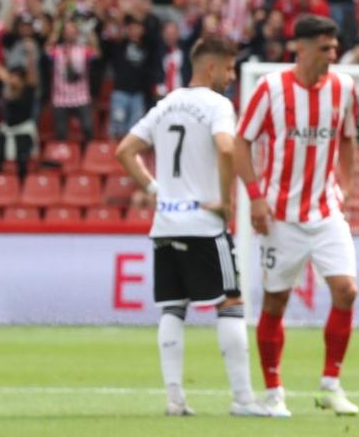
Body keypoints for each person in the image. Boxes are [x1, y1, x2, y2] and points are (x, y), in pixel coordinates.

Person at [113, 37, 269, 418]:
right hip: (204, 223)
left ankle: (175, 399)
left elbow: (124, 151)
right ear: (212, 67)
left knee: (172, 308)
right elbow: (227, 147)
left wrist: (154, 190)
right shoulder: (218, 105)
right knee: (230, 303)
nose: (232, 77)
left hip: (166, 223)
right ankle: (244, 399)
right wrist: (226, 201)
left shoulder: (165, 104)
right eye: (230, 69)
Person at [234, 15, 359, 417]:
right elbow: (241, 143)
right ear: (301, 48)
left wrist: (347, 190)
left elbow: (348, 140)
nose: (333, 54)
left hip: (325, 212)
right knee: (276, 302)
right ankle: (273, 393)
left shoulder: (343, 87)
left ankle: (331, 385)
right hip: (280, 217)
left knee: (347, 290)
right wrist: (254, 197)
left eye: (334, 47)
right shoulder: (270, 88)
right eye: (324, 47)